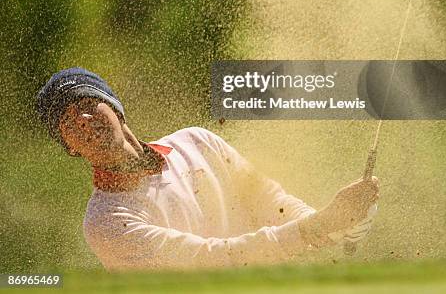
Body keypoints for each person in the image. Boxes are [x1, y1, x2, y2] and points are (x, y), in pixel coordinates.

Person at [36, 68, 378, 271]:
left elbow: (270, 200)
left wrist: (335, 224)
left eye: (85, 104)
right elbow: (209, 260)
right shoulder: (106, 222)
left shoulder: (197, 141)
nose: (81, 119)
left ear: (114, 109)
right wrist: (320, 227)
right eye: (66, 122)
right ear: (70, 148)